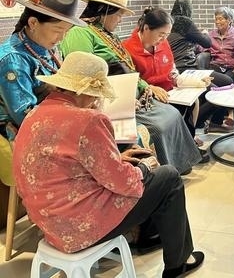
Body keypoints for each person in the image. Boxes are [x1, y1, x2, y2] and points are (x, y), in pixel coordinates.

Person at [12, 51, 204, 278]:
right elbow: (122, 182)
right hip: (80, 226)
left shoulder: (34, 114)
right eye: (96, 94)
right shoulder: (88, 119)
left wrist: (117, 160)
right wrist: (144, 167)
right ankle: (178, 263)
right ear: (86, 91)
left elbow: (65, 164)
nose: (96, 100)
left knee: (145, 172)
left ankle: (153, 236)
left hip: (48, 224)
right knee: (168, 177)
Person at [59, 0, 208, 174]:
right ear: (105, 11)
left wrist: (145, 86)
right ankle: (163, 171)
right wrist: (124, 98)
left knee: (172, 114)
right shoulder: (80, 32)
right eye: (119, 15)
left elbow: (128, 70)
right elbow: (84, 74)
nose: (121, 20)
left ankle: (180, 164)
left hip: (133, 95)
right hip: (112, 101)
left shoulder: (107, 35)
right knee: (159, 126)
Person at [0, 0, 86, 186]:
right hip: (24, 127)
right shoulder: (13, 60)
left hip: (52, 116)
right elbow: (25, 115)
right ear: (33, 22)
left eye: (66, 31)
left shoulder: (44, 46)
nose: (62, 38)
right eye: (58, 30)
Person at [122, 7, 231, 137]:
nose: (163, 39)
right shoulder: (127, 49)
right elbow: (131, 82)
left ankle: (189, 138)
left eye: (167, 35)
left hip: (171, 91)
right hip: (149, 96)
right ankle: (186, 139)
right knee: (178, 111)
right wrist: (149, 87)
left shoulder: (163, 43)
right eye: (161, 34)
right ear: (146, 28)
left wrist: (196, 81)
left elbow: (172, 73)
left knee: (206, 93)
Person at [204, 6, 234, 83]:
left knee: (227, 81)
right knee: (208, 79)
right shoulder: (211, 35)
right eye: (216, 19)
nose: (217, 22)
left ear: (229, 20)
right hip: (215, 66)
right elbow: (201, 48)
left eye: (220, 19)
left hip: (231, 68)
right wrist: (202, 38)